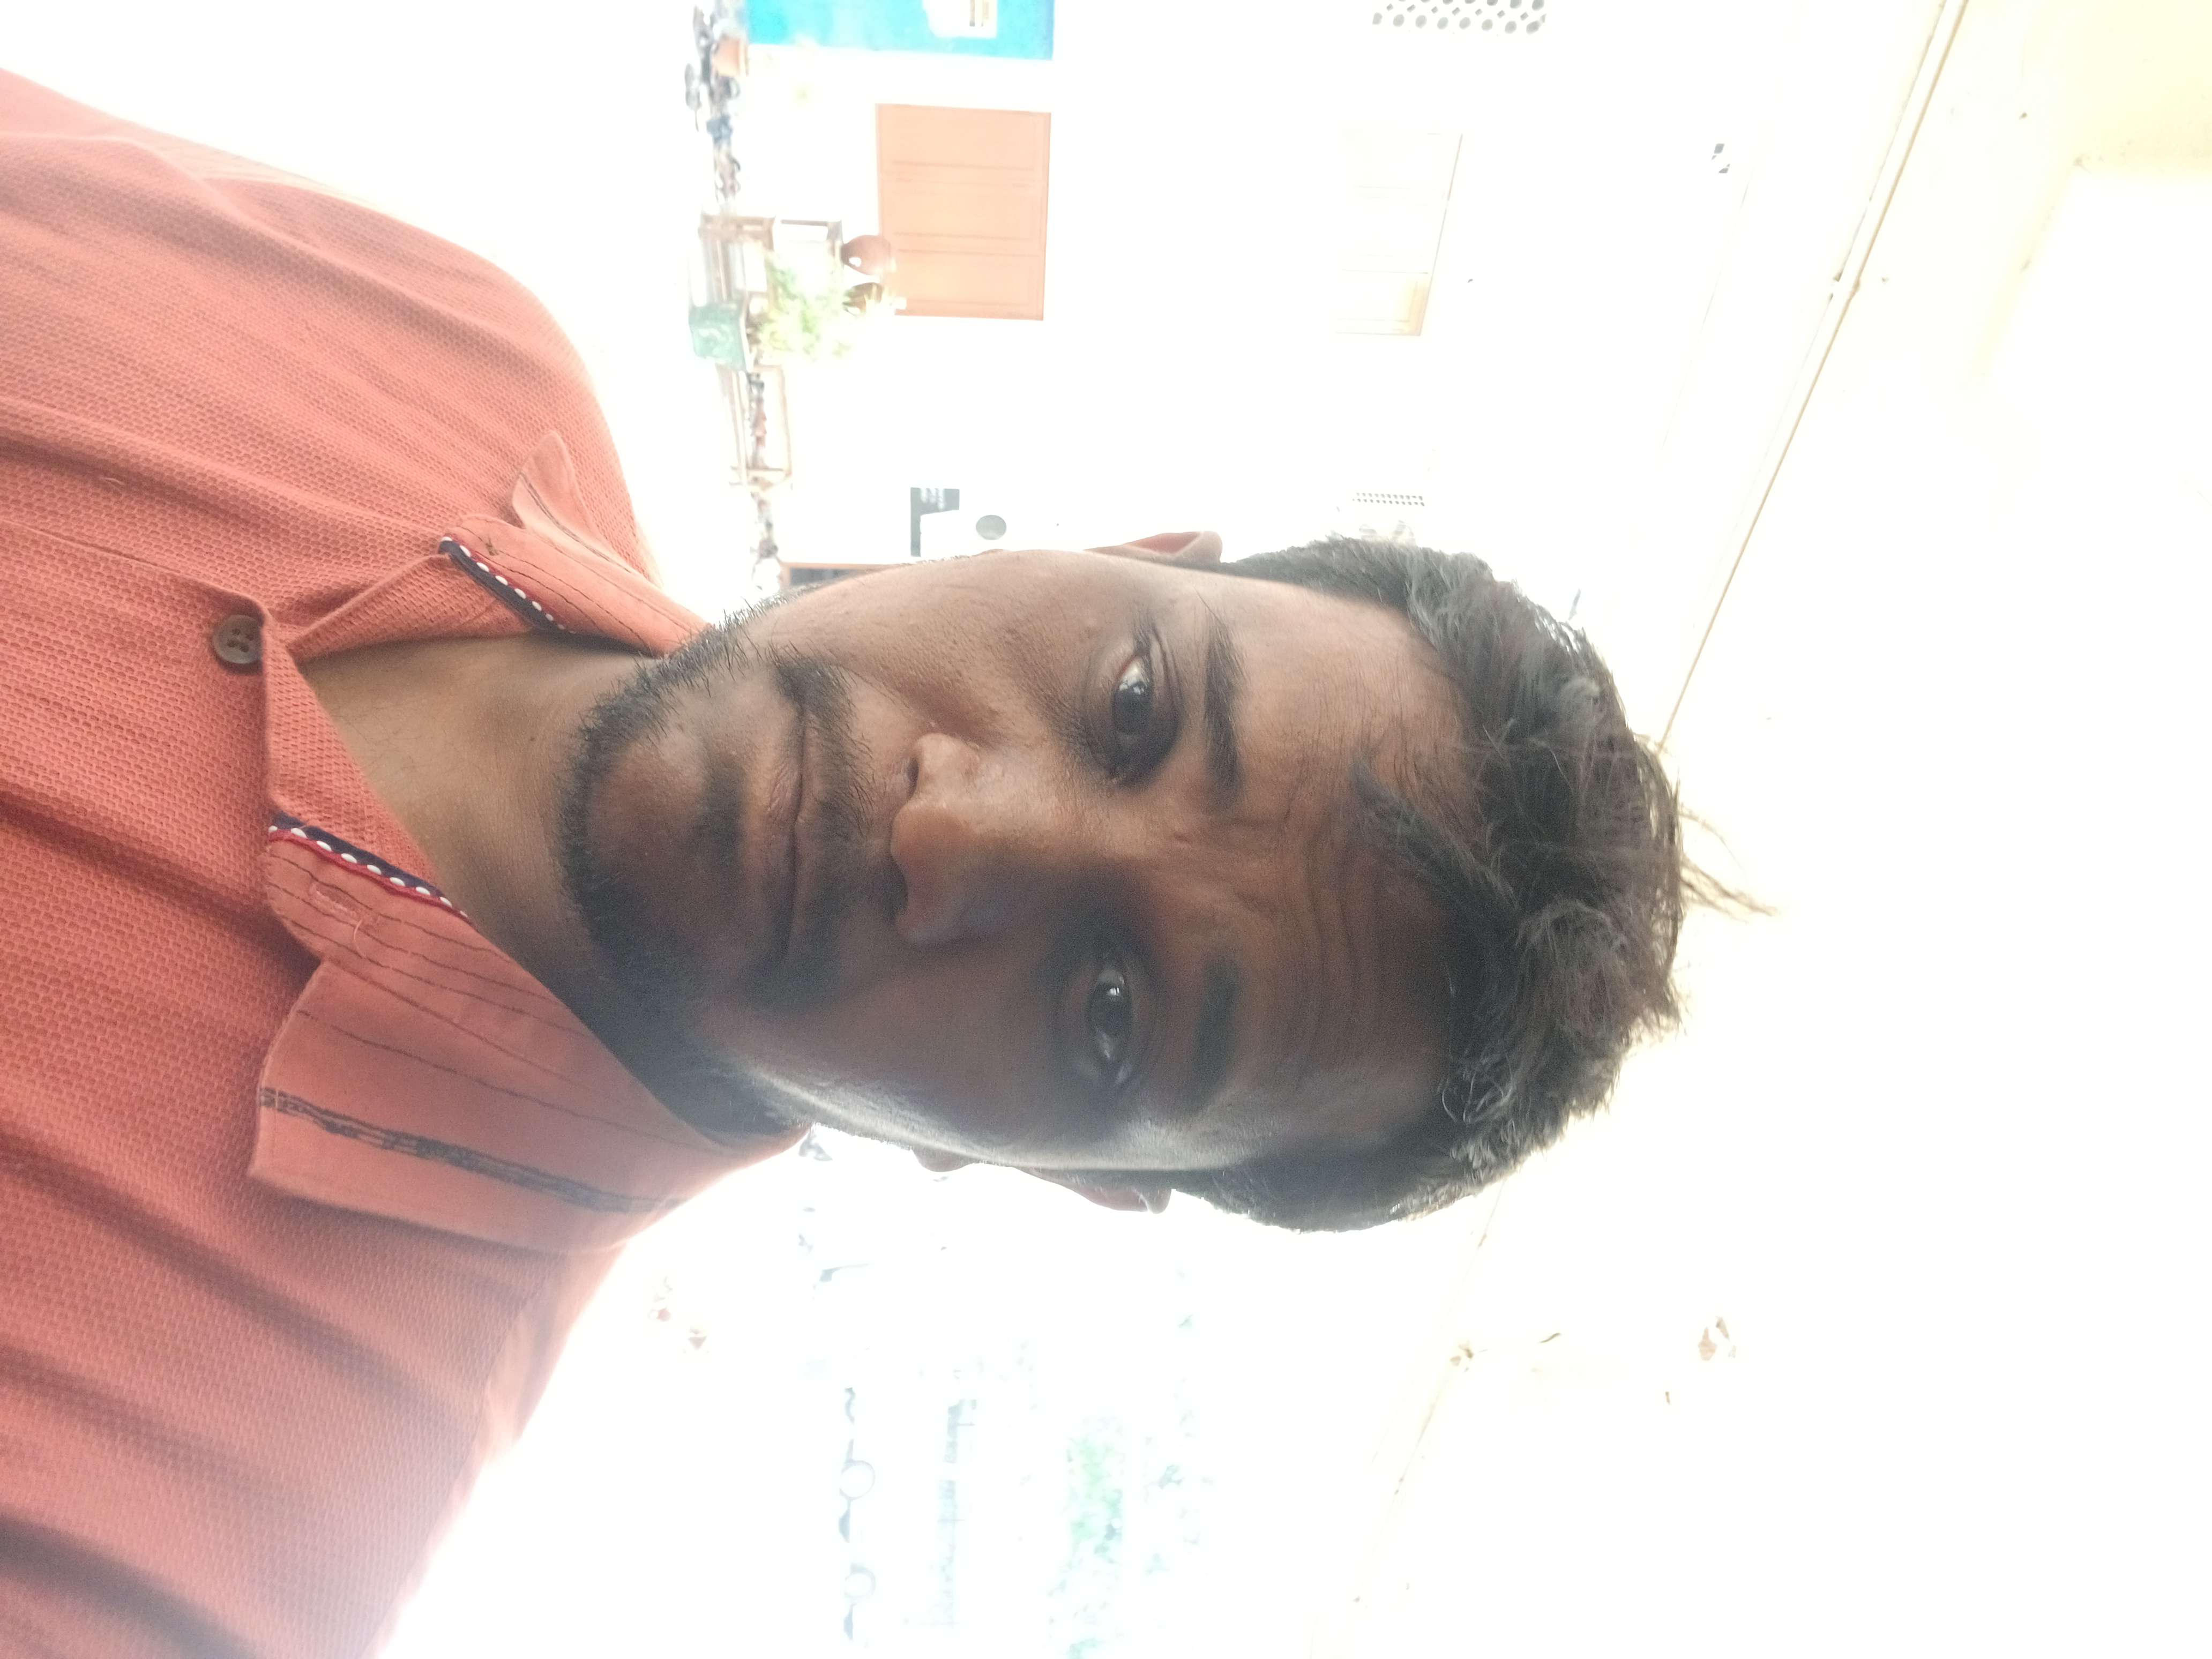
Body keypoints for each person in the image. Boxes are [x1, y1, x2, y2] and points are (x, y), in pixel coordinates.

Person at [0, 72, 1690, 1658]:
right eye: (1132, 702)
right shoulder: (448, 344)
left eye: (1111, 1011)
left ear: (1062, 1172)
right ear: (1122, 548)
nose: (956, 831)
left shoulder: (196, 1545)